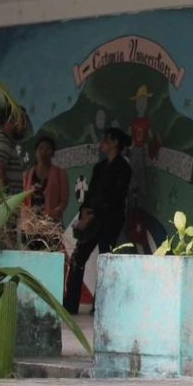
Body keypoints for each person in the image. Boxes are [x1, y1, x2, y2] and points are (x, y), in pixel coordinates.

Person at [63, 128, 132, 315]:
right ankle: (70, 304)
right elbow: (91, 193)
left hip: (110, 221)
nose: (102, 144)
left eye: (106, 141)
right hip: (92, 219)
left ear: (115, 143)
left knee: (104, 260)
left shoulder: (123, 168)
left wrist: (93, 213)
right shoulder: (99, 167)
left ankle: (101, 306)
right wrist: (83, 212)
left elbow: (117, 198)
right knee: (78, 258)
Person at [22, 136, 69, 225]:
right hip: (32, 225)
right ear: (36, 152)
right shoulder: (27, 175)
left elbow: (64, 201)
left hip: (52, 225)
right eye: (41, 148)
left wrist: (53, 215)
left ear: (53, 153)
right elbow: (24, 201)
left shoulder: (60, 173)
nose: (44, 152)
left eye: (48, 149)